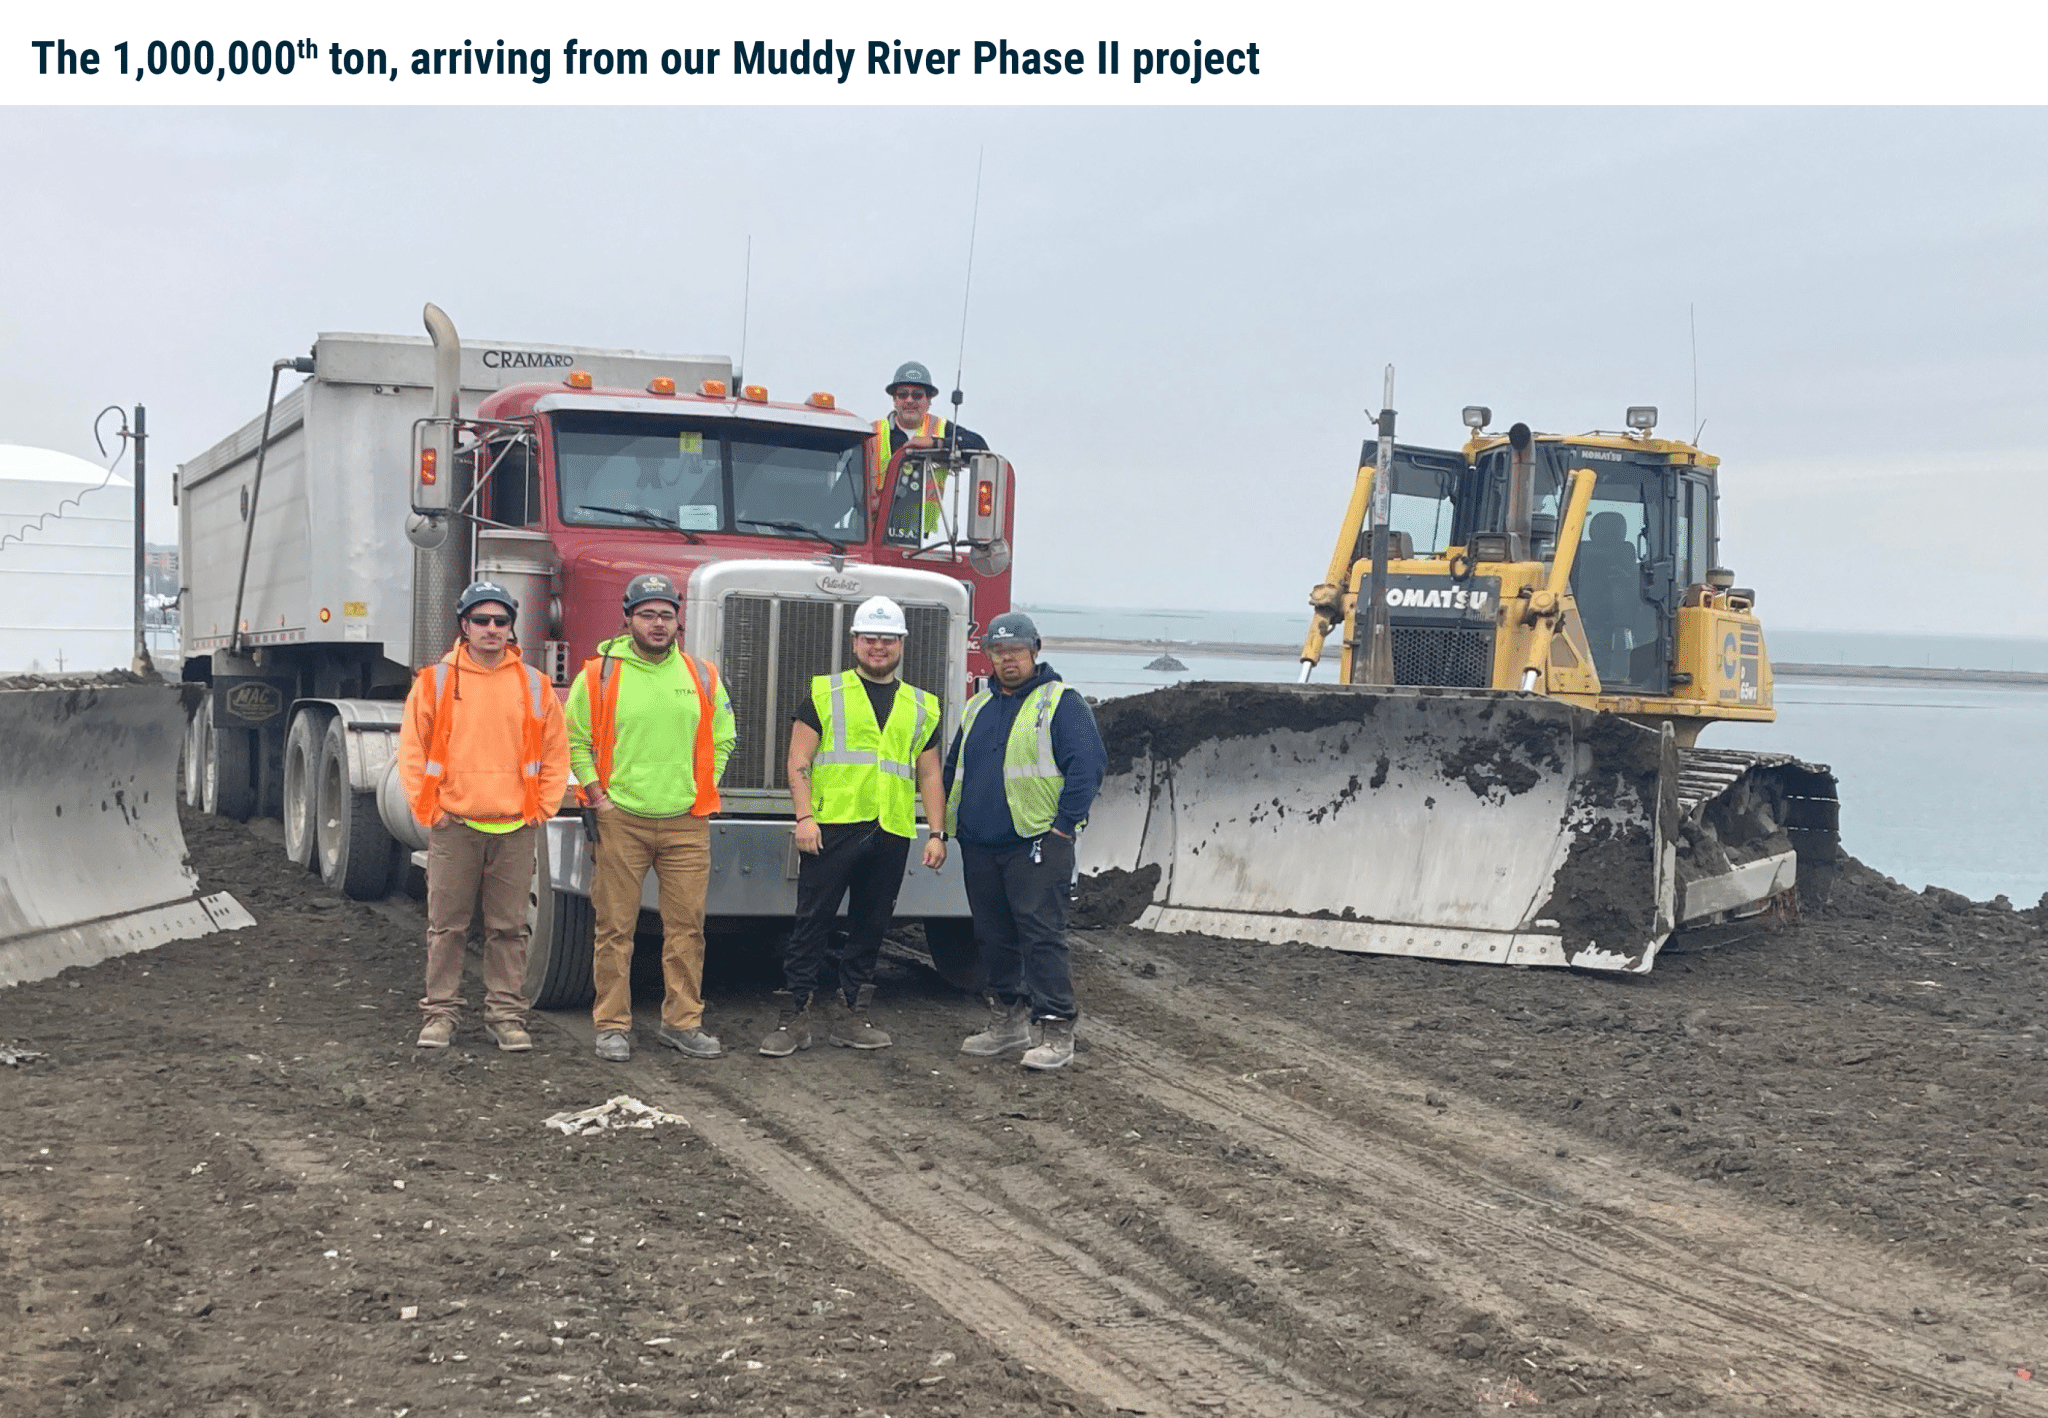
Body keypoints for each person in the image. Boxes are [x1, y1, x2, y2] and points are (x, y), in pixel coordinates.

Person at [761, 596, 948, 1057]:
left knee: (872, 924)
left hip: (891, 829)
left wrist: (938, 833)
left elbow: (929, 774)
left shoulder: (922, 705)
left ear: (901, 643)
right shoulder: (824, 694)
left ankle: (851, 1013)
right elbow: (797, 760)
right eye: (870, 639)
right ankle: (795, 1017)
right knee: (812, 921)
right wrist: (804, 817)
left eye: (888, 639)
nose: (879, 647)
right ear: (855, 643)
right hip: (833, 826)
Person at [565, 573, 737, 1063]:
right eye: (647, 614)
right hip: (622, 820)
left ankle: (683, 1022)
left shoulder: (701, 675)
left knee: (687, 928)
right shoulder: (598, 675)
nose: (658, 624)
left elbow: (724, 734)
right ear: (627, 619)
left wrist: (702, 786)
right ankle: (612, 1025)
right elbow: (575, 740)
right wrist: (599, 797)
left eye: (666, 615)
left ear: (678, 620)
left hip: (687, 821)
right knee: (614, 927)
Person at [397, 579, 570, 1053]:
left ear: (512, 628)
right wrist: (429, 807)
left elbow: (557, 752)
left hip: (515, 827)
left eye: (501, 621)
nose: (491, 629)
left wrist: (542, 807)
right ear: (464, 626)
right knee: (447, 927)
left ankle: (505, 1018)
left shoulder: (534, 685)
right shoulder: (434, 682)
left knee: (508, 929)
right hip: (455, 825)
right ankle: (440, 1016)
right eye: (481, 620)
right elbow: (412, 750)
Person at [943, 611, 1106, 1071]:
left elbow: (1087, 766)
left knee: (1041, 936)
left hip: (1035, 842)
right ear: (989, 655)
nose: (1007, 659)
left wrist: (1061, 827)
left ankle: (1056, 1029)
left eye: (1016, 650)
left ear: (1035, 650)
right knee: (992, 936)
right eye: (998, 651)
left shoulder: (1061, 703)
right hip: (980, 843)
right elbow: (956, 767)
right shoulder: (978, 706)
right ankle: (1008, 1022)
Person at [874, 361, 988, 539]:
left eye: (918, 395)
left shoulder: (941, 428)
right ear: (894, 400)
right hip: (875, 535)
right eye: (903, 395)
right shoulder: (873, 434)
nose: (909, 400)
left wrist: (937, 444)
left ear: (929, 401)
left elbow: (979, 445)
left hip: (920, 541)